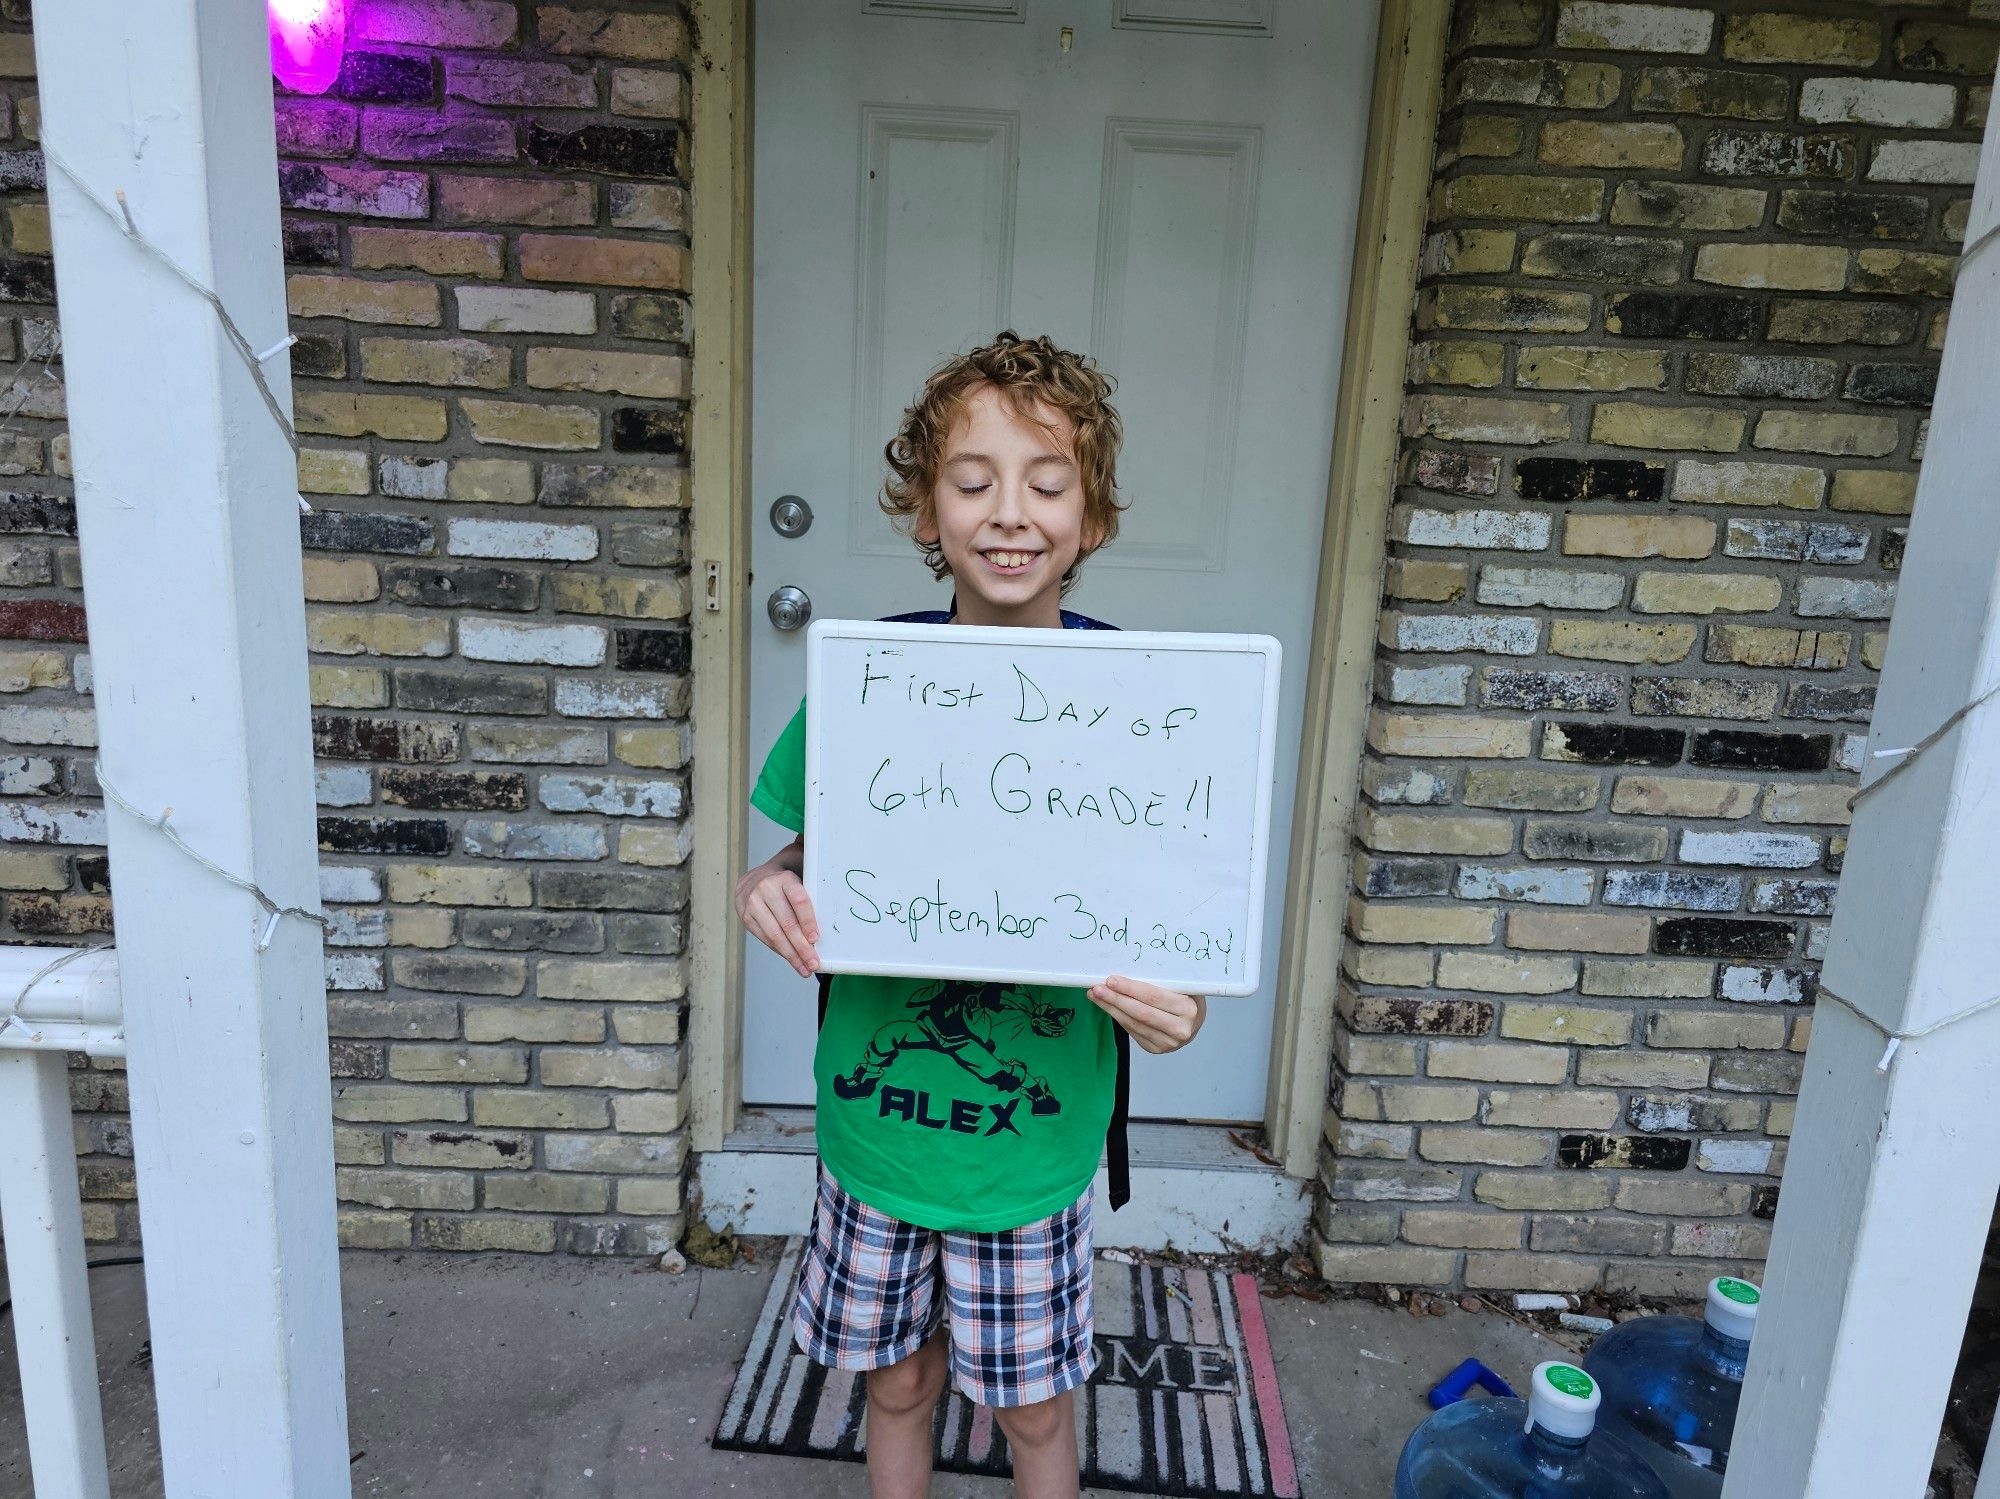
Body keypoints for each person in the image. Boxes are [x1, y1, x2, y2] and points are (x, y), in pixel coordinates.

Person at [735, 331, 1209, 1499]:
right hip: (877, 1133)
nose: (1009, 512)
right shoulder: (863, 681)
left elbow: (1178, 916)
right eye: (971, 479)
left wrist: (1180, 1002)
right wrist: (769, 882)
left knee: (1034, 1414)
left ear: (1089, 518)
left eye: (1046, 483)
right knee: (894, 1385)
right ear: (925, 511)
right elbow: (807, 852)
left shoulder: (1139, 709)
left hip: (1030, 1148)